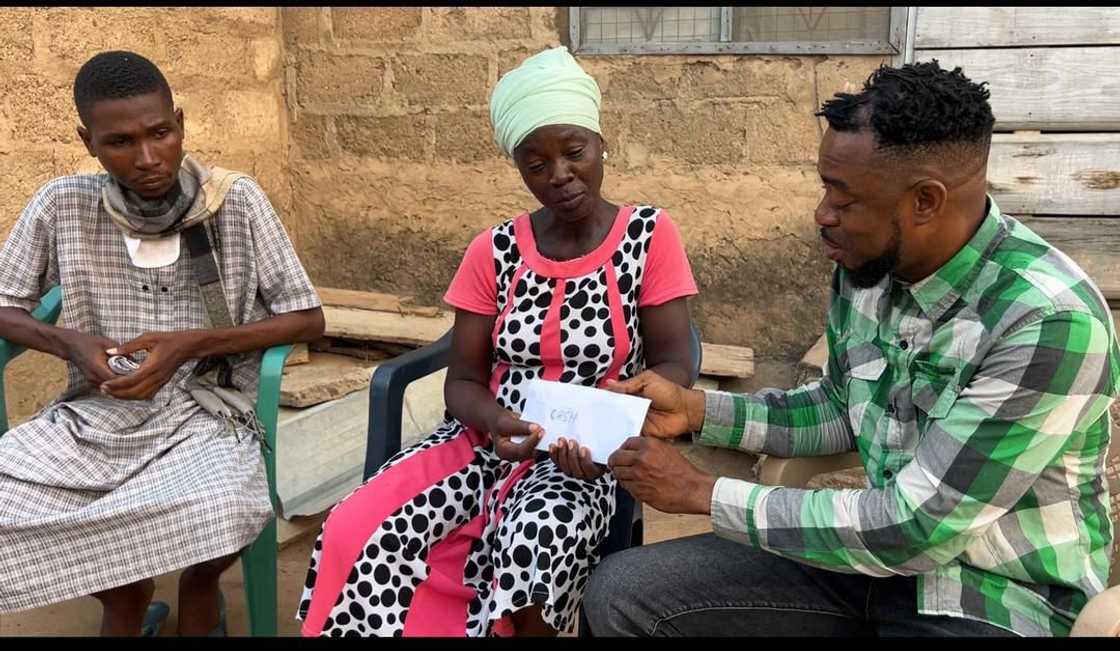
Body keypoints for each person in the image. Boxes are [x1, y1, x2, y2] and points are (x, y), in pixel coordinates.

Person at [585, 60, 1119, 637]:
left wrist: (701, 492)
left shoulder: (1046, 321)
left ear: (925, 201)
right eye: (824, 188)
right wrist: (697, 411)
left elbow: (915, 527)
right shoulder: (870, 268)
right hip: (862, 566)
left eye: (844, 199)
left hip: (992, 596)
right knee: (623, 594)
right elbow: (841, 408)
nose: (822, 216)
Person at [298, 46, 698, 637]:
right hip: (489, 436)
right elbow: (461, 380)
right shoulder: (495, 249)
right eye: (535, 164)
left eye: (574, 152)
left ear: (600, 143)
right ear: (519, 169)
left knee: (532, 543)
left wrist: (624, 421)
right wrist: (497, 423)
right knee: (355, 526)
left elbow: (674, 359)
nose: (559, 175)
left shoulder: (648, 234)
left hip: (590, 454)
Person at [0, 51, 325, 636]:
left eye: (160, 133)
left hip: (210, 414)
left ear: (180, 122)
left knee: (219, 507)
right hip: (97, 416)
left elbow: (306, 318)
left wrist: (191, 344)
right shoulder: (62, 205)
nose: (148, 158)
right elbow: (4, 304)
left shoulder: (236, 201)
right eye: (120, 142)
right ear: (88, 141)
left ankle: (198, 590)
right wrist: (66, 341)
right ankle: (126, 595)